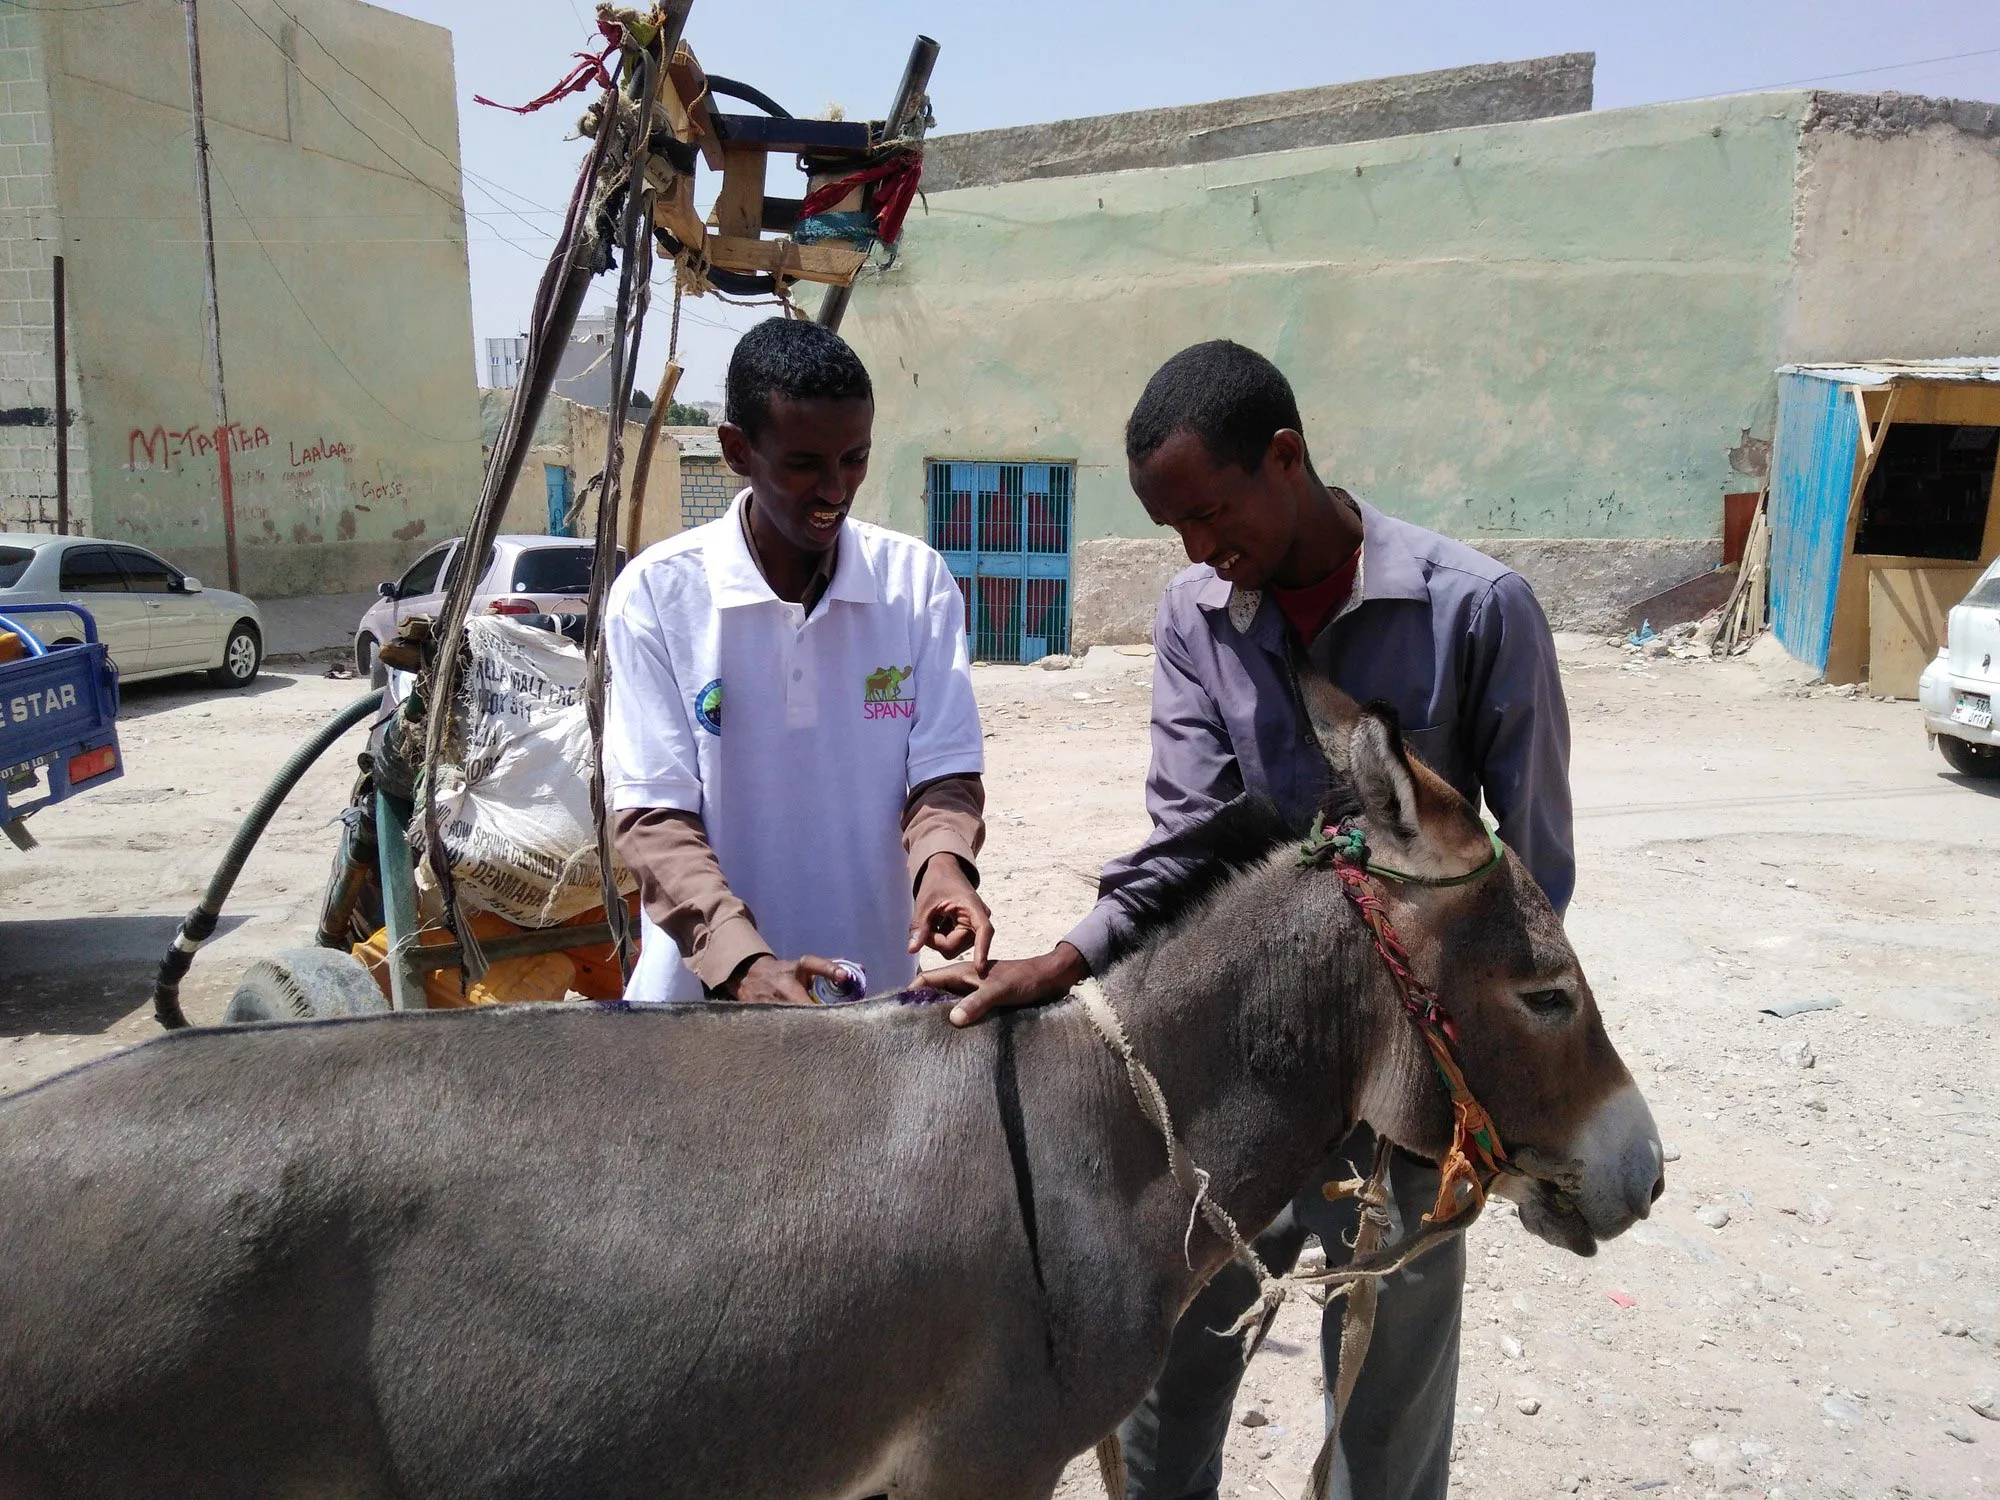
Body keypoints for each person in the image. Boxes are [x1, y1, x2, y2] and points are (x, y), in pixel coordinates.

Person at [934, 340, 1574, 1500]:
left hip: (1402, 1083)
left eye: (1209, 513)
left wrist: (1486, 1095)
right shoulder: (1197, 617)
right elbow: (1191, 844)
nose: (1196, 550)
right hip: (1233, 1070)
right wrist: (1066, 960)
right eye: (1172, 527)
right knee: (1163, 1398)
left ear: (1285, 458)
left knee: (1382, 1426)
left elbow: (1530, 896)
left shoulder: (1475, 611)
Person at [604, 317, 993, 1007]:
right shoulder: (659, 595)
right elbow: (654, 816)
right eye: (805, 464)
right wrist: (743, 962)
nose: (836, 490)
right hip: (706, 1010)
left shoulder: (915, 584)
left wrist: (942, 865)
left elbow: (944, 773)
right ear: (737, 450)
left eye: (855, 458)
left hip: (875, 1004)